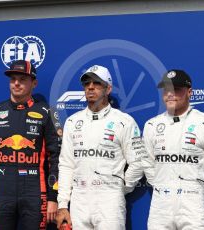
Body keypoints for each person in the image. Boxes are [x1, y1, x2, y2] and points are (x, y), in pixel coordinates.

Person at [56, 65, 144, 230]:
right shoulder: (72, 122)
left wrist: (120, 188)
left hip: (109, 200)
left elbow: (138, 162)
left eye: (97, 83)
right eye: (86, 83)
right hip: (79, 200)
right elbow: (66, 165)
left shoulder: (125, 121)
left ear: (108, 88)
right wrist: (62, 204)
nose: (90, 87)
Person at [0, 60, 60, 230]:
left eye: (22, 79)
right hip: (1, 193)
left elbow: (56, 158)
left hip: (35, 194)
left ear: (34, 83)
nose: (16, 83)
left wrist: (53, 197)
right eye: (13, 79)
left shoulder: (48, 113)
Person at [142, 69, 204, 230]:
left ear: (189, 92)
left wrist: (202, 197)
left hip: (193, 205)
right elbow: (147, 164)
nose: (170, 94)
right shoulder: (151, 125)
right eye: (167, 89)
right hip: (160, 206)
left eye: (176, 89)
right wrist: (163, 186)